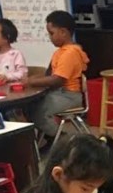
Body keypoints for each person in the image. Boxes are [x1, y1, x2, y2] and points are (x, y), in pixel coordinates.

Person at [24, 10, 90, 143]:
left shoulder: (70, 53)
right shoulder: (60, 52)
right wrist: (33, 79)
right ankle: (51, 137)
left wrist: (31, 82)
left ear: (63, 32)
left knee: (37, 111)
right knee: (29, 106)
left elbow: (57, 80)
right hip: (59, 93)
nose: (50, 37)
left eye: (51, 33)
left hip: (69, 96)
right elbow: (49, 74)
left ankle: (62, 139)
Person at [0, 18, 27, 83]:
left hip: (10, 87)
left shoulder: (15, 54)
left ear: (7, 37)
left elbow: (22, 73)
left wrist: (8, 77)